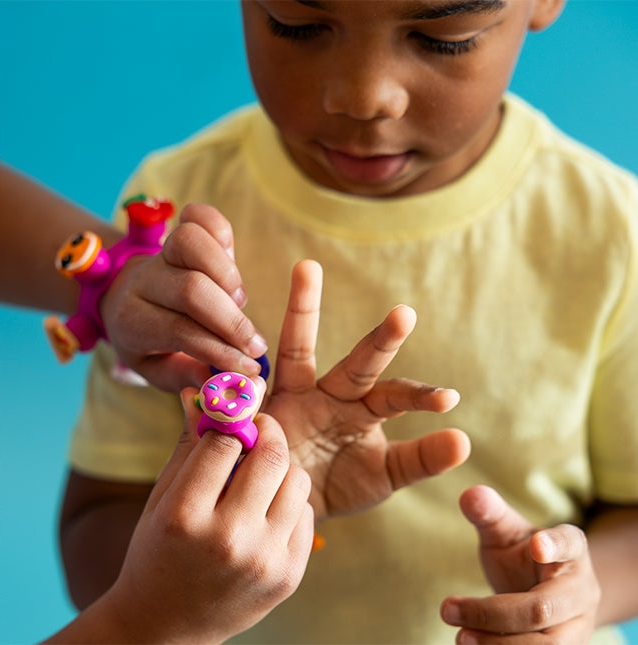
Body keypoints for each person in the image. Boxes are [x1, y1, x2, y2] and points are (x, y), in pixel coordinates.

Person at [55, 0, 638, 643]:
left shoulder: (612, 234)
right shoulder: (172, 221)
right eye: (296, 25)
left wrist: (577, 598)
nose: (364, 98)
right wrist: (178, 581)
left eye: (443, 38)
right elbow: (96, 524)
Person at [0, 162, 467, 642]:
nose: (366, 118)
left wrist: (115, 283)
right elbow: (91, 542)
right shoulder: (187, 179)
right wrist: (155, 613)